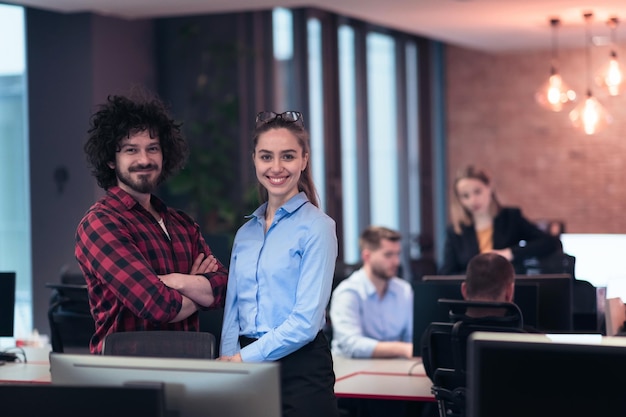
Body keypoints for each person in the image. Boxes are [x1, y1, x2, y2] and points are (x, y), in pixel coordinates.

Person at [75, 94, 228, 354]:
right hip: (127, 378)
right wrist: (198, 286)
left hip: (189, 371)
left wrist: (177, 281)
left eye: (152, 148)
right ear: (111, 159)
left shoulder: (183, 224)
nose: (144, 160)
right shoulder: (101, 223)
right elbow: (157, 305)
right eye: (131, 149)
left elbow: (224, 287)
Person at [219, 111, 339, 417]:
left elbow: (306, 322)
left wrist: (245, 359)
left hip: (301, 370)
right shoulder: (245, 233)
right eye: (266, 156)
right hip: (244, 364)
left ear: (304, 159)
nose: (276, 167)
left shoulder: (318, 227)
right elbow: (233, 311)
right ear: (255, 160)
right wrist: (229, 361)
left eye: (287, 156)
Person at [439, 165, 559, 275]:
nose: (473, 200)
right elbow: (446, 274)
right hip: (472, 295)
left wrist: (511, 253)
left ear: (489, 188)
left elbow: (549, 243)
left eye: (477, 192)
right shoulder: (455, 231)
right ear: (459, 199)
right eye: (465, 196)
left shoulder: (511, 218)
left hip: (510, 290)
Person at [329, 226, 413, 359]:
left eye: (397, 254)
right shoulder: (348, 293)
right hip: (352, 368)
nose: (396, 262)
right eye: (388, 255)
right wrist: (402, 349)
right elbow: (352, 344)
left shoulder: (404, 290)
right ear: (367, 256)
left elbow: (411, 337)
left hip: (394, 366)